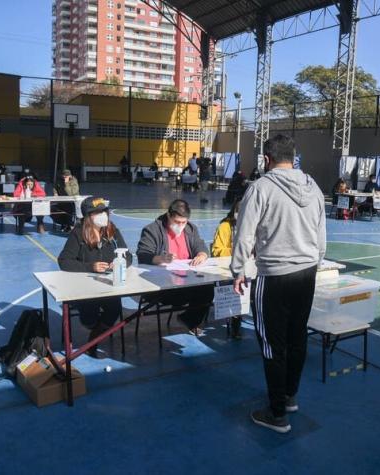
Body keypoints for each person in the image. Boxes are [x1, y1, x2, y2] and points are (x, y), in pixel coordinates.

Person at [231, 133, 326, 433]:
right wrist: (315, 262)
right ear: (294, 157)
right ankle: (289, 396)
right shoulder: (314, 188)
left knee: (272, 345)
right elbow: (321, 236)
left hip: (274, 276)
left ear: (267, 160)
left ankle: (277, 413)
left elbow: (244, 233)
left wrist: (238, 270)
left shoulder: (261, 188)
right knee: (297, 337)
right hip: (307, 273)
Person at [58, 197, 132, 356]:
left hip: (109, 284)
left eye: (104, 211)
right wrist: (90, 267)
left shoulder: (112, 231)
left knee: (114, 309)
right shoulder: (78, 234)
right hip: (85, 287)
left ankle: (95, 338)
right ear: (87, 216)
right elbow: (64, 261)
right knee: (88, 317)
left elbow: (128, 256)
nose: (103, 215)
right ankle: (95, 329)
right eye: (97, 212)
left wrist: (120, 262)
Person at [136, 199, 213, 335]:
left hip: (188, 279)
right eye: (177, 222)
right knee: (192, 292)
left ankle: (189, 319)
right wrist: (159, 258)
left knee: (208, 289)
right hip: (162, 283)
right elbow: (142, 254)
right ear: (168, 215)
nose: (181, 225)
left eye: (184, 222)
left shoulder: (190, 228)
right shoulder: (152, 230)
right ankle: (190, 318)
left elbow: (200, 245)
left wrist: (202, 254)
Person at [211, 199, 243, 339]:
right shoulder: (225, 226)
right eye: (237, 211)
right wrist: (237, 251)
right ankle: (236, 325)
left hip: (249, 267)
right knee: (235, 288)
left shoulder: (255, 226)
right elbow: (217, 250)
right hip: (226, 268)